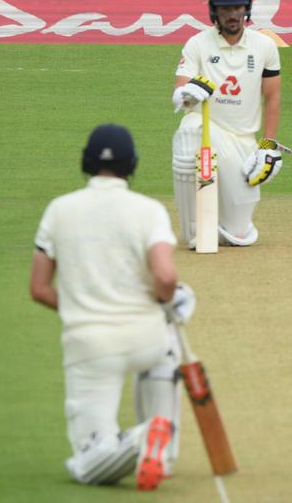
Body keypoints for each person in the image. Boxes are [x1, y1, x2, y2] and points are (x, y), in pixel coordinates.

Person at [31, 124, 195, 490]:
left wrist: (80, 306)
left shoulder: (59, 210)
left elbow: (39, 289)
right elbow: (166, 279)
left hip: (89, 345)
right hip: (145, 337)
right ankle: (159, 446)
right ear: (131, 165)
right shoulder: (149, 210)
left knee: (88, 463)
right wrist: (163, 303)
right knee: (166, 336)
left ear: (86, 163)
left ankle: (138, 441)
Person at [172, 0, 286, 247]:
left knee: (237, 231)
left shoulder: (264, 46)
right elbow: (180, 92)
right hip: (209, 131)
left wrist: (267, 145)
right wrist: (186, 94)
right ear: (214, 11)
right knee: (190, 127)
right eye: (225, 8)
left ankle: (226, 226)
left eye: (237, 8)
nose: (232, 14)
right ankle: (194, 232)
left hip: (243, 142)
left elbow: (272, 97)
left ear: (246, 8)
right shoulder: (197, 44)